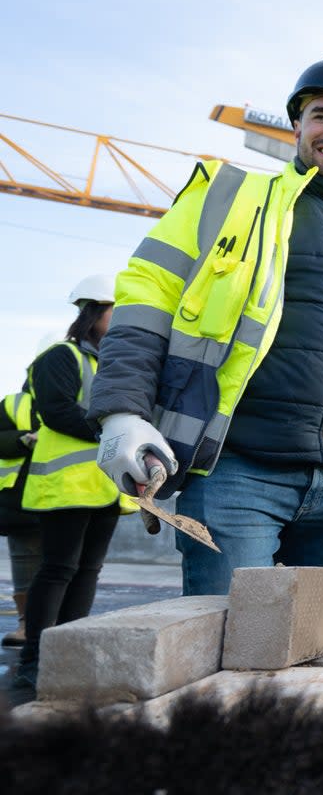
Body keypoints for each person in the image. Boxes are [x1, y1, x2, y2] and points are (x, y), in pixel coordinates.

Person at [87, 56, 323, 598]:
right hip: (235, 471)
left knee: (318, 656)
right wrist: (123, 410)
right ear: (297, 126)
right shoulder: (226, 197)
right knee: (226, 646)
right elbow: (145, 301)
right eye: (321, 115)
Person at [13, 275, 122, 694]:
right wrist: (115, 435)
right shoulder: (60, 356)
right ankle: (36, 658)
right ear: (94, 311)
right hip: (65, 487)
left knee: (88, 571)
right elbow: (58, 411)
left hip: (104, 489)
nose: (122, 318)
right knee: (58, 569)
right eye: (116, 309)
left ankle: (69, 654)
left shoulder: (109, 361)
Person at [0, 386, 40, 648]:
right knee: (25, 561)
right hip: (23, 500)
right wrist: (24, 439)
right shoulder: (15, 404)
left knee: (72, 566)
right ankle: (28, 622)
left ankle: (62, 623)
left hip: (76, 494)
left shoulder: (89, 398)